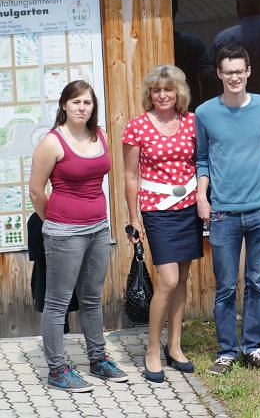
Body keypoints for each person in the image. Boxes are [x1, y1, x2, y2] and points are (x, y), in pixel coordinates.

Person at [29, 80, 128, 392]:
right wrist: (56, 223)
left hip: (98, 228)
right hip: (64, 232)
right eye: (76, 102)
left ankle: (98, 359)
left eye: (87, 102)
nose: (82, 108)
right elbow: (35, 191)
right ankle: (57, 369)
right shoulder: (52, 142)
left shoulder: (101, 135)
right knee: (57, 303)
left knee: (92, 298)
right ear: (64, 106)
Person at [195, 45, 260, 375]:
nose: (234, 77)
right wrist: (203, 196)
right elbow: (201, 159)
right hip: (223, 212)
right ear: (219, 74)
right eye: (227, 71)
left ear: (248, 71)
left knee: (258, 282)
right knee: (226, 285)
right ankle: (227, 351)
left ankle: (253, 347)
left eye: (239, 71)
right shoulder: (204, 113)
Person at [122, 65, 203, 383]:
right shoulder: (137, 127)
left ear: (178, 92)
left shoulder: (193, 122)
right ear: (149, 94)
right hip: (157, 210)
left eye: (168, 89)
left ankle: (175, 346)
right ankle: (152, 349)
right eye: (156, 90)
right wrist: (133, 217)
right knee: (167, 280)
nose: (163, 95)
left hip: (188, 208)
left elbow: (201, 162)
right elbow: (130, 176)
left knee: (182, 280)